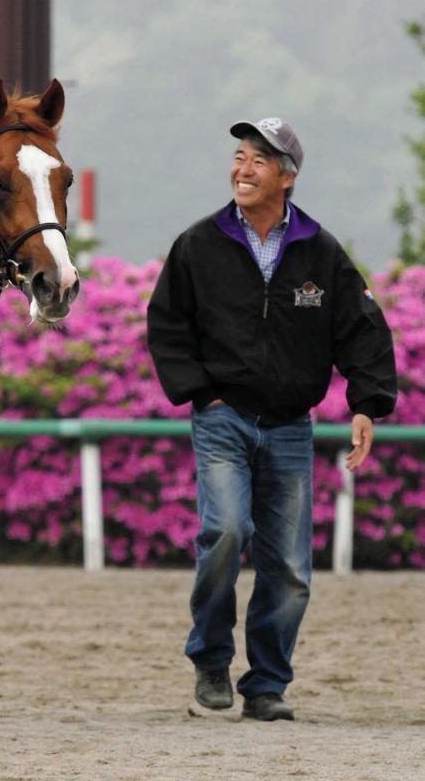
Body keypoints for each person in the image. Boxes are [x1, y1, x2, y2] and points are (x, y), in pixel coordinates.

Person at [146, 117, 397, 722]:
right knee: (227, 532)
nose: (243, 168)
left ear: (287, 176)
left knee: (288, 566)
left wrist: (365, 404)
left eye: (259, 159)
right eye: (238, 156)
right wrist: (202, 395)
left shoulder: (321, 251)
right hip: (223, 420)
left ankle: (265, 685)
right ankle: (211, 659)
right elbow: (167, 325)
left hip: (291, 427)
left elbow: (361, 330)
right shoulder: (198, 244)